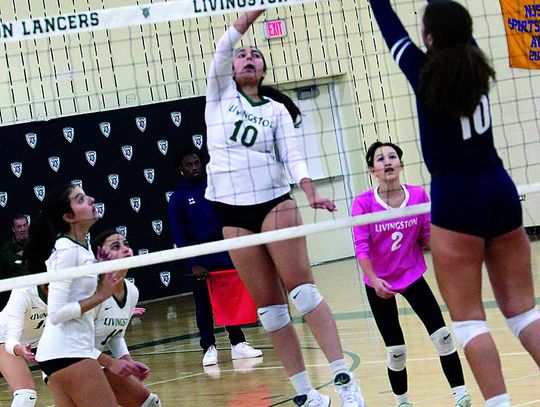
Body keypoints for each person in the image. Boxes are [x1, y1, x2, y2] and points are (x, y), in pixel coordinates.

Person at [369, 1, 540, 406]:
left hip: (456, 198)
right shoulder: (476, 63)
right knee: (524, 314)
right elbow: (452, 26)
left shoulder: (422, 73)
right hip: (499, 190)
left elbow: (390, 27)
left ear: (428, 37)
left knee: (467, 320)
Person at [204, 9, 365, 407]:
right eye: (243, 55)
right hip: (232, 212)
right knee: (271, 312)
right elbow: (224, 45)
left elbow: (293, 157)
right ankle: (305, 393)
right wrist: (248, 17)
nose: (247, 58)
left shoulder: (276, 111)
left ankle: (344, 379)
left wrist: (309, 190)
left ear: (262, 70)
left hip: (274, 202)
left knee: (304, 294)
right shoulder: (218, 95)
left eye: (255, 56)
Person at [352, 141, 470, 407]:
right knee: (396, 351)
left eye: (393, 157)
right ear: (373, 170)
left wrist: (455, 248)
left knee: (442, 336)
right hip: (379, 282)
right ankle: (402, 401)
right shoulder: (363, 203)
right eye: (381, 159)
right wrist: (373, 278)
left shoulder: (418, 196)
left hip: (412, 275)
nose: (388, 162)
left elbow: (429, 237)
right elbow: (361, 247)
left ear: (402, 165)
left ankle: (461, 394)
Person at [23, 184, 146, 406]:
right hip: (68, 351)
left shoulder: (81, 247)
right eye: (80, 199)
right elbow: (56, 314)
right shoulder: (67, 251)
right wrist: (100, 295)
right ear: (69, 216)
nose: (90, 199)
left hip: (61, 354)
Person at [168, 148, 263, 367]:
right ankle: (208, 347)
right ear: (180, 169)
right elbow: (179, 235)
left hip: (223, 252)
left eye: (197, 163)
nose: (194, 167)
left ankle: (238, 343)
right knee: (203, 305)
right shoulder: (178, 199)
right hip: (199, 257)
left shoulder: (214, 189)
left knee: (229, 300)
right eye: (189, 164)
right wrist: (193, 264)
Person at [92, 229, 162, 407]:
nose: (125, 249)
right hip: (68, 362)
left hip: (94, 361)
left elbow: (116, 334)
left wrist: (127, 361)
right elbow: (74, 343)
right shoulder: (92, 291)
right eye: (116, 246)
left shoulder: (132, 291)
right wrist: (111, 363)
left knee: (149, 403)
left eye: (126, 244)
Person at [0, 283, 48, 407]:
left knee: (63, 383)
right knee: (25, 394)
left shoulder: (74, 290)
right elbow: (11, 340)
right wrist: (20, 349)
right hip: (5, 338)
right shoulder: (23, 292)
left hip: (44, 339)